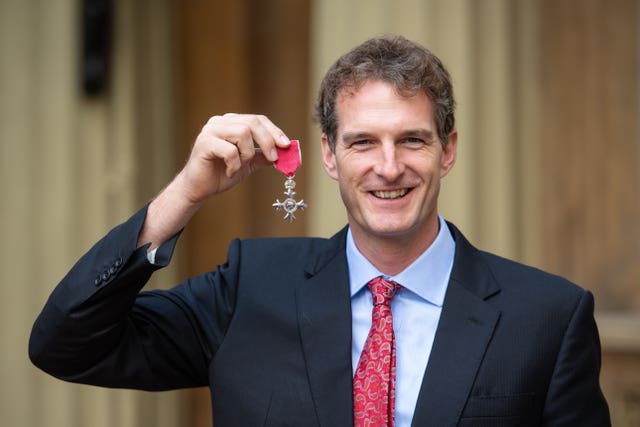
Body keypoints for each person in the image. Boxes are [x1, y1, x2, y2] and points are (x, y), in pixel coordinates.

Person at [29, 35, 610, 426]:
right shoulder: (247, 290)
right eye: (362, 142)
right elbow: (66, 345)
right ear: (328, 155)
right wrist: (185, 192)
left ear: (447, 150)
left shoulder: (550, 317)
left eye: (412, 139)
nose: (388, 167)